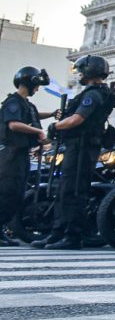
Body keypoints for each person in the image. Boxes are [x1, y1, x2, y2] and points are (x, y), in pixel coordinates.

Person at [32, 55, 115, 249]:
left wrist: (55, 126)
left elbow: (76, 120)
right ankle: (57, 232)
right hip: (75, 146)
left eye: (80, 71)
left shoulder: (93, 95)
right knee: (63, 190)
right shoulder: (93, 93)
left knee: (74, 191)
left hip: (83, 147)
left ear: (88, 72)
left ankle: (72, 236)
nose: (78, 75)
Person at [1, 68, 49, 246]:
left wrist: (52, 115)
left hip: (21, 154)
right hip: (10, 154)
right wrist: (38, 131)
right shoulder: (13, 102)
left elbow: (34, 115)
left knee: (16, 193)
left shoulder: (26, 104)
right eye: (36, 85)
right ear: (28, 83)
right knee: (7, 192)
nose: (37, 89)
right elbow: (14, 124)